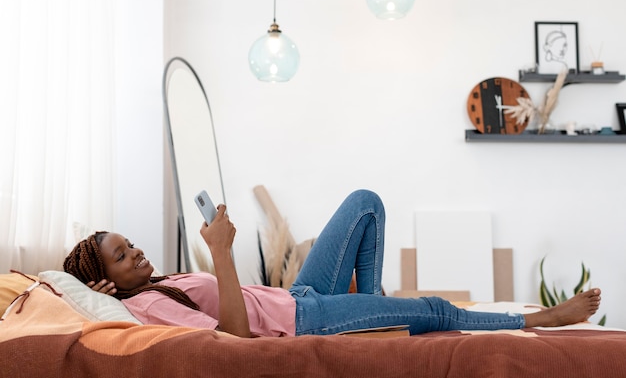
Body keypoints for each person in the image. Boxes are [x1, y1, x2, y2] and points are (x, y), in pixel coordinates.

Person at [64, 189, 601, 338]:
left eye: (129, 243)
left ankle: (375, 316)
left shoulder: (161, 281)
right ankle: (536, 319)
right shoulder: (149, 308)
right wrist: (222, 254)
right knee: (436, 309)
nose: (135, 250)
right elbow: (232, 339)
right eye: (122, 254)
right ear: (104, 280)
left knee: (365, 203)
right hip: (300, 321)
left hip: (297, 297)